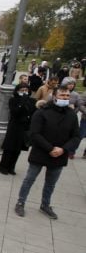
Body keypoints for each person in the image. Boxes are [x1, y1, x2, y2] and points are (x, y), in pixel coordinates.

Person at [14, 85, 80, 219]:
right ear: (55, 96)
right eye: (62, 95)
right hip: (41, 152)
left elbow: (76, 136)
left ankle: (45, 205)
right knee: (29, 179)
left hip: (60, 155)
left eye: (67, 96)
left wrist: (63, 149)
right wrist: (50, 149)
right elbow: (34, 134)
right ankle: (20, 202)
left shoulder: (72, 115)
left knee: (51, 183)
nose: (65, 98)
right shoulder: (42, 111)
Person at [0, 83, 35, 175]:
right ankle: (3, 166)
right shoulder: (13, 100)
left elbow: (32, 112)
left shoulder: (31, 101)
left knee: (18, 149)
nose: (24, 92)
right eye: (22, 90)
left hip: (24, 128)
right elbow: (15, 112)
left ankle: (11, 167)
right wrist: (22, 102)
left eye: (26, 90)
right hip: (14, 127)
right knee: (9, 148)